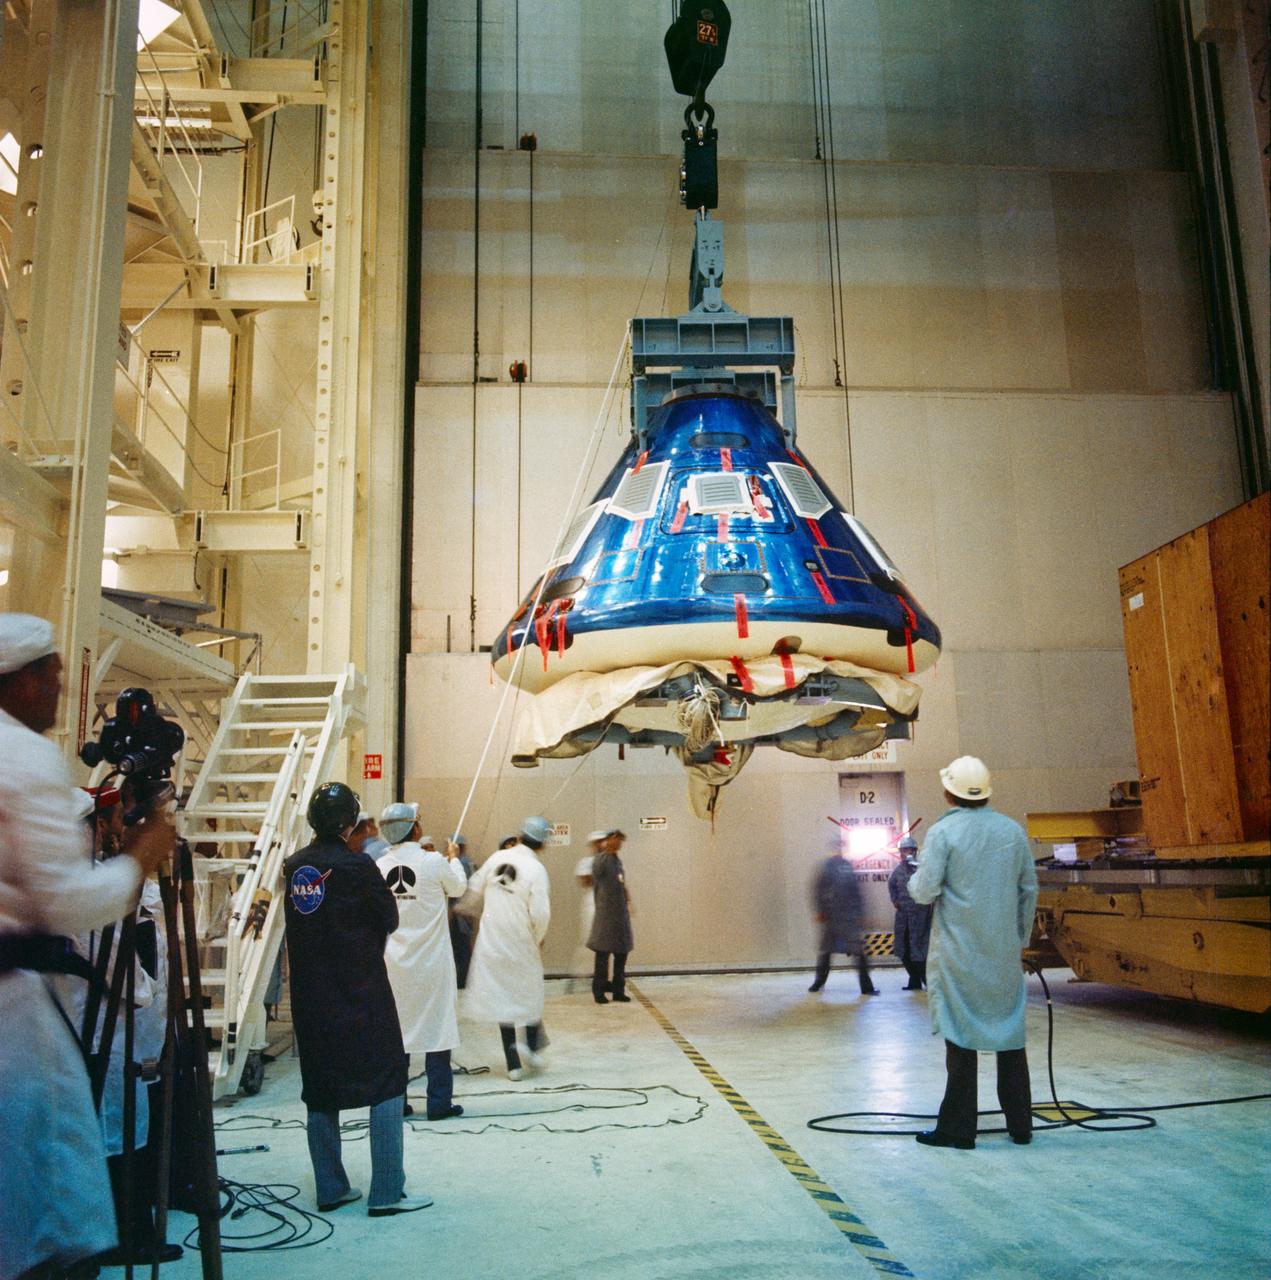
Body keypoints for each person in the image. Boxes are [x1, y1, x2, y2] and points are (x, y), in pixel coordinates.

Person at [0, 613, 174, 1280]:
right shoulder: (23, 756)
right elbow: (70, 903)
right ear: (20, 680)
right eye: (51, 676)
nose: (58, 690)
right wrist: (139, 857)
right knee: (50, 1212)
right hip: (15, 1014)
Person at [283, 781, 429, 1216]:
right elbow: (389, 918)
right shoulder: (359, 867)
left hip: (311, 998)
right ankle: (386, 1191)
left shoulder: (294, 868)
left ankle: (331, 1188)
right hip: (362, 992)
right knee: (386, 1081)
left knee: (321, 1088)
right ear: (350, 822)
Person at [907, 756, 1039, 1150]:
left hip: (959, 954)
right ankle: (1021, 1125)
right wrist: (1019, 938)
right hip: (1002, 954)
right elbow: (1028, 890)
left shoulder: (944, 834)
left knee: (960, 1040)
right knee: (1010, 1038)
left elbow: (923, 890)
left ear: (948, 791)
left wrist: (916, 876)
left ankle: (958, 1129)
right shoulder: (1012, 832)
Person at [376, 802, 467, 1120]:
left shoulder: (379, 866)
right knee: (437, 1028)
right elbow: (458, 886)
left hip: (394, 963)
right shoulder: (433, 861)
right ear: (414, 828)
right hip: (432, 964)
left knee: (396, 1032)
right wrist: (454, 858)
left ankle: (396, 1102)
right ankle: (439, 1103)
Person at [463, 816, 552, 1080]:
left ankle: (513, 1063)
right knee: (529, 993)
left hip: (492, 939)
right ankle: (532, 1043)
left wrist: (470, 909)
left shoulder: (497, 857)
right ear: (542, 843)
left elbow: (474, 887)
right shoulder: (536, 869)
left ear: (521, 835)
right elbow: (540, 912)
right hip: (520, 938)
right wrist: (538, 938)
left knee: (503, 999)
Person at [809, 839, 878, 995]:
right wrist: (820, 911)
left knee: (859, 952)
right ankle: (818, 983)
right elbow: (818, 891)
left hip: (850, 917)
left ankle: (867, 987)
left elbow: (857, 893)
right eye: (836, 848)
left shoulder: (848, 867)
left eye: (841, 848)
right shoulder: (826, 868)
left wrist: (861, 914)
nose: (839, 850)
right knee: (826, 951)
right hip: (832, 916)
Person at [587, 829, 634, 1004]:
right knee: (603, 955)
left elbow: (621, 884)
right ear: (609, 840)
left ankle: (618, 990)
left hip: (620, 915)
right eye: (616, 839)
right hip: (606, 915)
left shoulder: (617, 861)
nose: (619, 843)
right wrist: (605, 849)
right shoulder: (602, 859)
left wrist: (628, 902)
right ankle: (598, 991)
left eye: (620, 840)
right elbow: (596, 876)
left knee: (622, 953)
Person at [888, 835, 932, 991]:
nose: (906, 852)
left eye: (909, 849)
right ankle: (914, 980)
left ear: (915, 851)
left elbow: (930, 888)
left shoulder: (922, 869)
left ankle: (928, 982)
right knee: (903, 950)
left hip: (920, 917)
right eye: (903, 850)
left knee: (919, 950)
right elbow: (892, 885)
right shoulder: (898, 870)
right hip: (903, 918)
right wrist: (895, 900)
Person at [448, 834, 476, 988]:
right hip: (467, 911)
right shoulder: (469, 862)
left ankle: (462, 980)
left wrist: (457, 908)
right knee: (464, 945)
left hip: (460, 911)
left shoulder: (461, 863)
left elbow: (458, 887)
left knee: (460, 946)